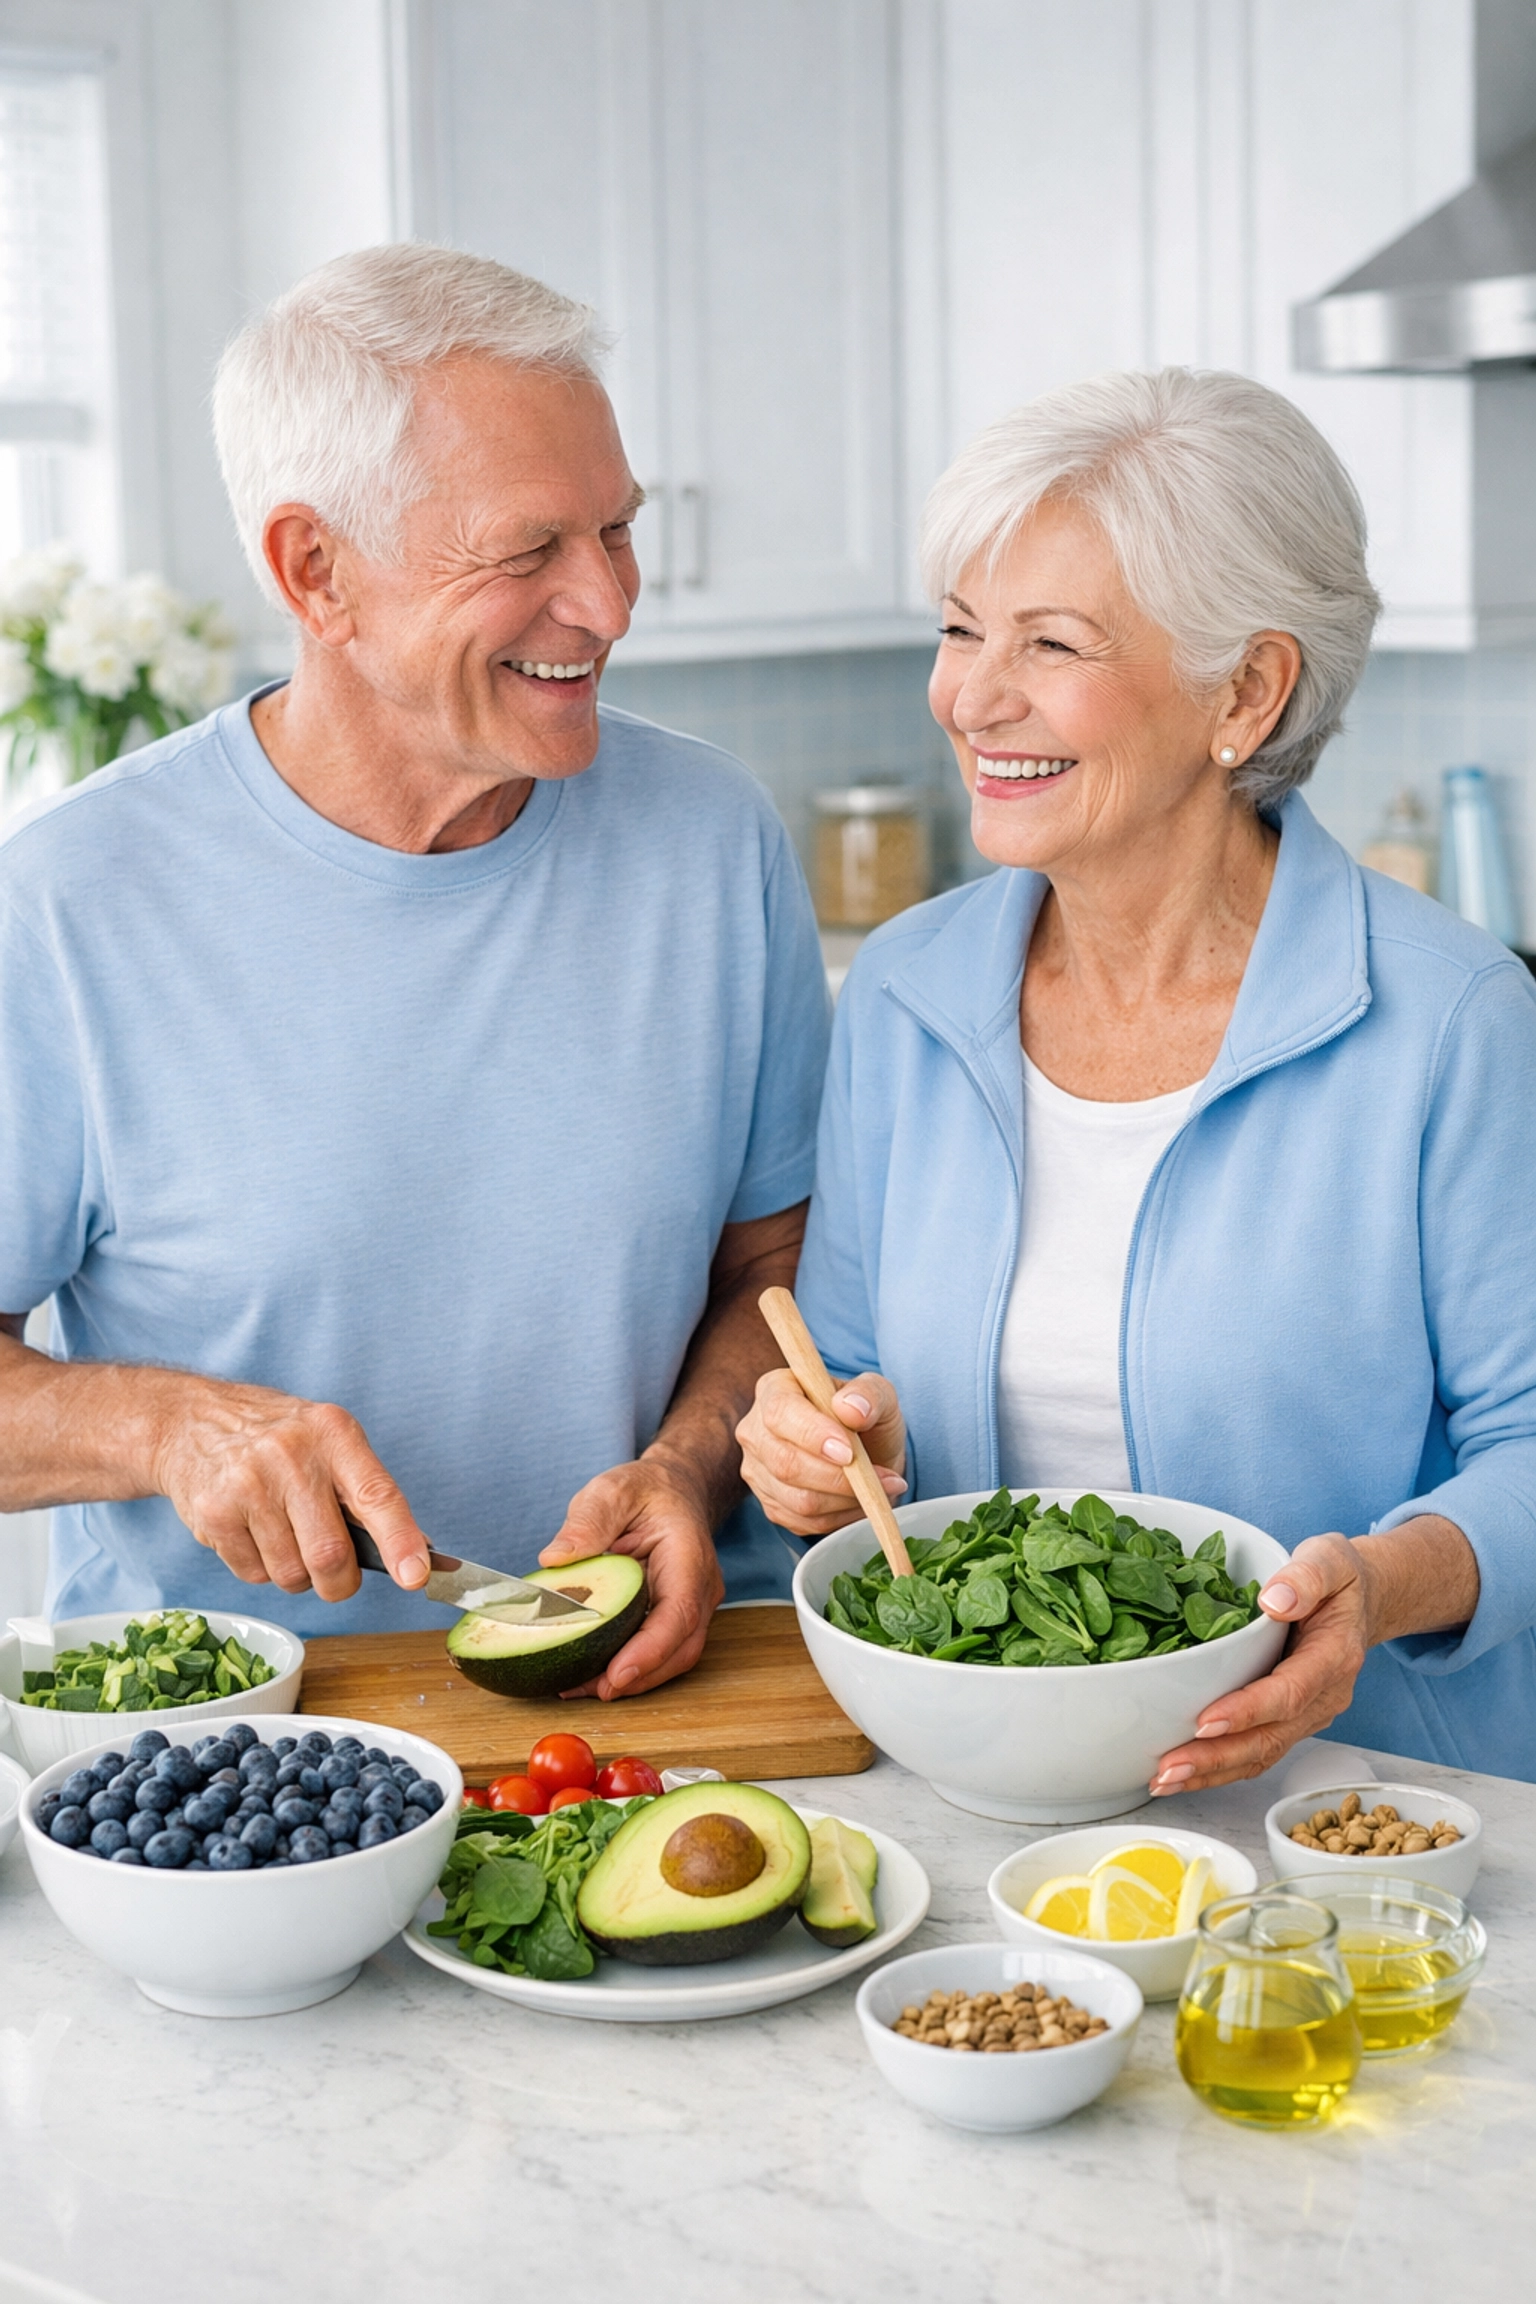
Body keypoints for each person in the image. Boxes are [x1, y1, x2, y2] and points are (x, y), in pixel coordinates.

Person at [0, 244, 829, 1697]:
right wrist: (164, 1427)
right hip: (246, 1744)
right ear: (317, 571)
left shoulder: (711, 842)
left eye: (615, 531)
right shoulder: (66, 905)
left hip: (669, 1694)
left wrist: (690, 1470)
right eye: (528, 553)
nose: (609, 604)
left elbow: (773, 1266)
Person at [739, 366, 1536, 1787]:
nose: (971, 696)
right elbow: (846, 1384)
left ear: (1248, 689)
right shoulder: (905, 995)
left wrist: (1385, 1584)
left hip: (1343, 1812)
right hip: (972, 1792)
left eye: (1050, 644)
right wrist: (812, 1455)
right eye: (961, 628)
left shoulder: (1448, 1018)